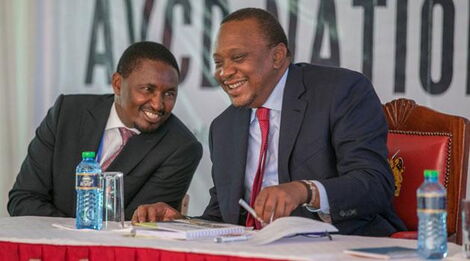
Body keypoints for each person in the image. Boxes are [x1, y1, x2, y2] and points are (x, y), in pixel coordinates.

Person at [132, 8, 405, 236]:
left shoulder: (340, 92)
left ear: (277, 56)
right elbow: (224, 214)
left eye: (238, 58)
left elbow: (375, 183)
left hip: (339, 245)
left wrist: (306, 191)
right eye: (218, 62)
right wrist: (180, 222)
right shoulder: (224, 127)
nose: (225, 72)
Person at [8, 41, 202, 220]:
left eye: (169, 94)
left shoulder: (181, 147)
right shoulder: (66, 113)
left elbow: (135, 223)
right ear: (118, 84)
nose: (158, 104)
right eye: (147, 89)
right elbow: (23, 198)